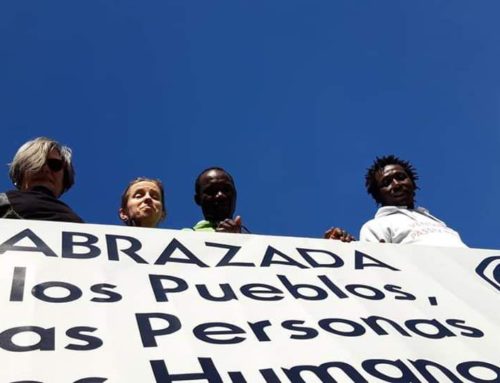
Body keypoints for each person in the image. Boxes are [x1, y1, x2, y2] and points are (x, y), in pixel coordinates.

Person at [360, 155, 466, 247]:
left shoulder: (437, 222)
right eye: (386, 182)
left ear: (413, 183)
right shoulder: (376, 226)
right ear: (378, 195)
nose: (396, 184)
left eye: (401, 177)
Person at [0, 137, 83, 222]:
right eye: (36, 162)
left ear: (64, 179)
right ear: (20, 172)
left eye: (55, 164)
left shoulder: (81, 227)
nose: (45, 169)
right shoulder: (3, 202)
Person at [190, 167, 246, 232]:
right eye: (211, 191)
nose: (220, 195)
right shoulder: (184, 236)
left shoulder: (254, 240)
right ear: (198, 199)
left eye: (226, 190)